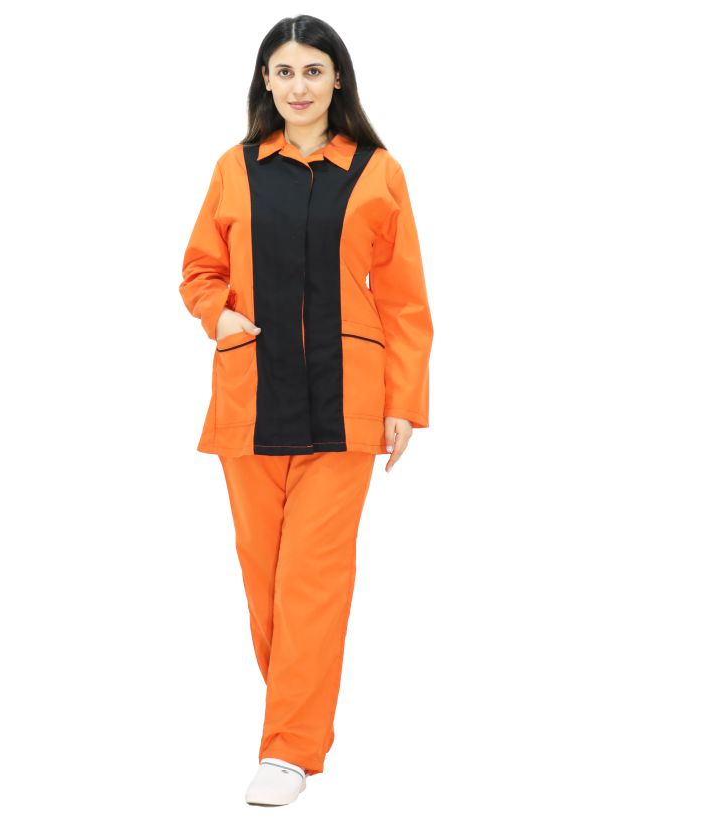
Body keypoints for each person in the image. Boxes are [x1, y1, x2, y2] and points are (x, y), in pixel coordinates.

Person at [179, 15, 434, 806]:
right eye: (284, 71)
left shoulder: (378, 174)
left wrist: (403, 401)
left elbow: (404, 300)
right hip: (249, 401)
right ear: (265, 80)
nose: (298, 86)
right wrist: (218, 314)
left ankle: (288, 749)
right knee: (266, 585)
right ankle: (298, 716)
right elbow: (198, 269)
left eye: (313, 71)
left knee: (312, 582)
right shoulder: (233, 169)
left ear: (337, 80)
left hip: (345, 404)